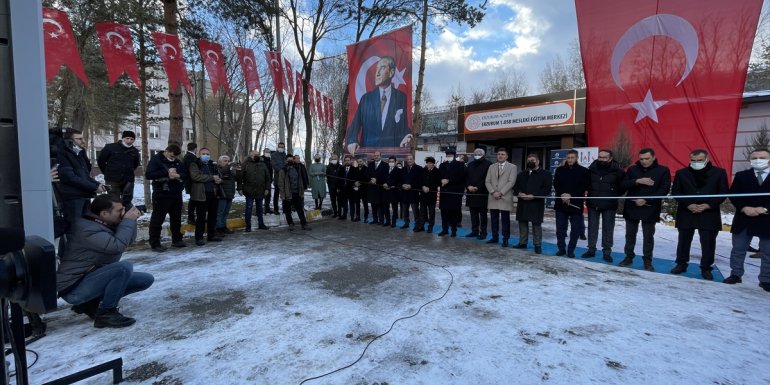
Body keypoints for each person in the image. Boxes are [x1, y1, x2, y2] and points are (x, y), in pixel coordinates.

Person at [57, 195, 154, 328]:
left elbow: (128, 241)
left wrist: (131, 220)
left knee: (145, 280)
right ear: (104, 213)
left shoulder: (101, 223)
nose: (122, 213)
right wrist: (127, 222)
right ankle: (106, 313)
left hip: (88, 278)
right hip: (74, 287)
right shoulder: (87, 229)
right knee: (123, 268)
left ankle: (90, 304)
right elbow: (117, 246)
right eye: (119, 211)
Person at [669, 149, 727, 279]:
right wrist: (688, 204)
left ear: (706, 159)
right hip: (687, 211)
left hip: (709, 213)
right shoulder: (681, 173)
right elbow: (676, 192)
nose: (696, 163)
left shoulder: (719, 173)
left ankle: (706, 268)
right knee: (683, 241)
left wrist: (708, 205)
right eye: (693, 160)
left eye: (699, 160)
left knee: (708, 242)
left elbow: (723, 192)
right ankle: (681, 264)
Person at [723, 149, 770, 291]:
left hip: (767, 219)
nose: (757, 160)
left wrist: (765, 209)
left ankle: (766, 279)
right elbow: (734, 195)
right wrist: (744, 208)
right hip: (744, 218)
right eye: (754, 157)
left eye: (762, 157)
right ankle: (736, 274)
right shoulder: (742, 176)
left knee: (768, 252)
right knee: (738, 249)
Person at [346, 56, 411, 153]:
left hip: (391, 155)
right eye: (377, 69)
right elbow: (355, 126)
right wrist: (352, 141)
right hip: (368, 155)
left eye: (382, 68)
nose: (377, 73)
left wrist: (408, 135)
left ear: (391, 72)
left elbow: (404, 126)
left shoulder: (401, 97)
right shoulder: (366, 99)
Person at [619, 148, 671, 271]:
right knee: (630, 235)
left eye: (647, 158)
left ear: (653, 157)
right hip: (632, 207)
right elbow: (623, 185)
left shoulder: (663, 170)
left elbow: (664, 190)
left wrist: (646, 199)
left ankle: (647, 260)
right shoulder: (632, 169)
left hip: (650, 208)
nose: (643, 161)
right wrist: (637, 181)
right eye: (641, 159)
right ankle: (628, 256)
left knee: (648, 236)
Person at [57, 129, 106, 230]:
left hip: (84, 195)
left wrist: (97, 184)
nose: (83, 141)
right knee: (75, 228)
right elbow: (69, 177)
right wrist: (94, 187)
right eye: (79, 139)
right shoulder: (62, 153)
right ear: (70, 140)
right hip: (72, 197)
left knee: (83, 226)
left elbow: (84, 176)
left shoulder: (80, 153)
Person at [583, 149, 625, 262]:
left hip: (609, 204)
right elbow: (587, 184)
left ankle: (607, 252)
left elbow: (622, 187)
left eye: (604, 157)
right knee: (592, 228)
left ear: (610, 158)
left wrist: (613, 194)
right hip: (593, 203)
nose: (601, 159)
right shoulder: (591, 169)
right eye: (600, 157)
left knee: (608, 229)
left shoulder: (618, 171)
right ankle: (591, 249)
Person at [145, 144, 187, 251]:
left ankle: (177, 239)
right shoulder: (156, 160)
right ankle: (155, 243)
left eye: (175, 157)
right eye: (172, 156)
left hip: (176, 193)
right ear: (167, 151)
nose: (173, 158)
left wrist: (178, 176)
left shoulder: (177, 161)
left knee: (176, 218)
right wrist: (166, 173)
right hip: (161, 194)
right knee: (158, 219)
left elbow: (185, 173)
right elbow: (149, 174)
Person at [552, 149, 589, 258]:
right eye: (568, 158)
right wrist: (563, 194)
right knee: (560, 229)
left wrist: (570, 195)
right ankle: (561, 249)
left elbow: (584, 186)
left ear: (577, 158)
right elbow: (556, 184)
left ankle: (571, 250)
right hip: (561, 204)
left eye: (572, 158)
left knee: (575, 230)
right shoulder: (559, 170)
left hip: (576, 204)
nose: (570, 160)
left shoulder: (584, 171)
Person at [513, 154, 552, 254]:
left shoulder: (546, 174)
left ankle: (537, 245)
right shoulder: (522, 174)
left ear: (538, 161)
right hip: (522, 202)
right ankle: (522, 242)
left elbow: (547, 189)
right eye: (529, 160)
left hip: (536, 202)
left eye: (533, 160)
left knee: (536, 225)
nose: (531, 162)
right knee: (522, 223)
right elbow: (516, 187)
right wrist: (519, 193)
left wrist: (534, 195)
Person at [188, 148, 223, 245]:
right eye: (203, 154)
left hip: (214, 193)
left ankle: (211, 235)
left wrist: (219, 180)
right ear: (199, 154)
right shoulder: (195, 164)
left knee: (213, 216)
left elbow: (219, 175)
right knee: (201, 217)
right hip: (201, 194)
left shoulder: (212, 164)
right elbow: (195, 177)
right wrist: (211, 177)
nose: (206, 155)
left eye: (207, 154)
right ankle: (199, 238)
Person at [97, 130, 140, 209]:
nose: (129, 141)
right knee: (113, 200)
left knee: (127, 201)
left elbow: (135, 164)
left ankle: (125, 218)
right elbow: (101, 161)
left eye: (132, 139)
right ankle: (113, 219)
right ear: (123, 138)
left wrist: (128, 172)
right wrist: (107, 172)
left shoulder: (135, 151)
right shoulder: (110, 147)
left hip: (128, 180)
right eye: (127, 138)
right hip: (111, 180)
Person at [485, 148, 516, 247]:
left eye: (502, 154)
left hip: (505, 197)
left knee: (505, 220)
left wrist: (501, 193)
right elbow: (487, 181)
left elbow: (511, 182)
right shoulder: (491, 167)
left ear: (507, 156)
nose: (500, 156)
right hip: (493, 196)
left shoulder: (512, 167)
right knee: (494, 219)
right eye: (498, 154)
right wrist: (493, 192)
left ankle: (505, 239)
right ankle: (494, 237)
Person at [236, 150, 271, 232]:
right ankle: (248, 226)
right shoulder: (245, 164)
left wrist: (267, 188)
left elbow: (268, 178)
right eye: (255, 155)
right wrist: (240, 188)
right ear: (250, 155)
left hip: (260, 190)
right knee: (249, 207)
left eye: (258, 154)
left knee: (260, 208)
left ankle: (261, 224)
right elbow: (240, 178)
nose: (257, 156)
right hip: (249, 190)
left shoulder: (263, 164)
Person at [278, 154, 311, 230]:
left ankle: (304, 224)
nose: (290, 161)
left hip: (297, 193)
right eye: (288, 159)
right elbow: (281, 184)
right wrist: (282, 195)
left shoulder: (297, 168)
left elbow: (300, 181)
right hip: (287, 194)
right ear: (286, 161)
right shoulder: (283, 170)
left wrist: (301, 191)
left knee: (300, 209)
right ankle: (290, 224)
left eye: (291, 159)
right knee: (288, 211)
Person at [438, 148, 466, 237]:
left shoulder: (460, 165)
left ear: (454, 156)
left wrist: (449, 181)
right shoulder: (442, 165)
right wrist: (441, 180)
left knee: (454, 212)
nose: (449, 156)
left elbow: (461, 178)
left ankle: (454, 230)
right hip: (444, 193)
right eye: (447, 155)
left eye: (450, 155)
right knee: (444, 212)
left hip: (454, 193)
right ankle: (444, 229)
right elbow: (438, 177)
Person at [466, 148, 492, 239]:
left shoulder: (488, 164)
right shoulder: (470, 164)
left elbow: (488, 178)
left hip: (482, 193)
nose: (477, 154)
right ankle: (474, 231)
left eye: (479, 153)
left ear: (484, 154)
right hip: (471, 193)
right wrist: (468, 186)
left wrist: (478, 187)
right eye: (476, 153)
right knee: (473, 214)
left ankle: (483, 232)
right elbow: (466, 177)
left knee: (483, 215)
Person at [417, 157, 442, 233]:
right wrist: (422, 186)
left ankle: (430, 226)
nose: (429, 164)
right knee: (422, 212)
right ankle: (421, 226)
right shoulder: (422, 170)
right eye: (428, 163)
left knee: (431, 212)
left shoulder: (437, 171)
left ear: (433, 164)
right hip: (423, 195)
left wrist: (430, 188)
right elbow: (419, 181)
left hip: (432, 195)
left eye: (431, 163)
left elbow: (438, 183)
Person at [400, 154, 423, 230]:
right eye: (408, 159)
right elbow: (400, 180)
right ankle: (406, 222)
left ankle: (417, 224)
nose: (409, 160)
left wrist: (411, 186)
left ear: (414, 160)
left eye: (411, 159)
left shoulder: (419, 169)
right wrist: (402, 184)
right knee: (405, 210)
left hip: (413, 193)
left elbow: (420, 181)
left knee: (415, 211)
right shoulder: (403, 169)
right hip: (404, 193)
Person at [215, 155, 236, 235]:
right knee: (220, 212)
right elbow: (221, 174)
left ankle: (223, 226)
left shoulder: (230, 170)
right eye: (225, 161)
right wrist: (228, 167)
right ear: (220, 162)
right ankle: (218, 228)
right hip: (221, 194)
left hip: (229, 193)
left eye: (228, 161)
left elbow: (235, 177)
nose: (227, 163)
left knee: (226, 212)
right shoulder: (217, 169)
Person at [367, 151, 388, 224]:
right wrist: (370, 179)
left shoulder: (385, 165)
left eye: (377, 155)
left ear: (380, 156)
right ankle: (375, 219)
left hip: (380, 188)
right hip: (372, 188)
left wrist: (377, 179)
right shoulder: (370, 164)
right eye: (375, 155)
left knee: (380, 205)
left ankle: (381, 220)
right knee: (373, 205)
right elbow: (368, 174)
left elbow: (385, 176)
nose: (376, 157)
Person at [383, 156, 403, 227]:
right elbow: (382, 178)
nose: (391, 163)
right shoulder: (385, 169)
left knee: (394, 208)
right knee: (386, 207)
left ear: (395, 162)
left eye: (392, 161)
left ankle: (393, 222)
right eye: (390, 161)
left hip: (394, 192)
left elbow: (400, 182)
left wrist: (392, 186)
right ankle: (387, 221)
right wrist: (385, 184)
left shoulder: (399, 170)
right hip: (386, 191)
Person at [182, 142, 199, 224]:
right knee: (193, 201)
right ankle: (191, 218)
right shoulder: (190, 157)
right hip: (192, 182)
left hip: (191, 182)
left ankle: (192, 218)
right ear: (195, 148)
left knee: (194, 200)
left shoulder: (188, 156)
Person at [336, 156, 355, 220]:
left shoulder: (354, 169)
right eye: (346, 160)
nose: (347, 161)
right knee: (344, 203)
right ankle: (344, 215)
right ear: (344, 161)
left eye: (348, 160)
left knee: (352, 203)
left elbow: (355, 179)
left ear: (350, 161)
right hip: (343, 189)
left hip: (351, 189)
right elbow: (338, 179)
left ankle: (352, 216)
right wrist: (338, 187)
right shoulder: (341, 169)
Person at [271, 143, 288, 214]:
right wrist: (281, 170)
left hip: (285, 178)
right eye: (280, 147)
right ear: (278, 147)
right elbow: (274, 165)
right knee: (276, 194)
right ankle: (276, 209)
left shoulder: (285, 155)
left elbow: (287, 164)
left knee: (285, 194)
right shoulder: (274, 155)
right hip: (278, 178)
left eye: (282, 147)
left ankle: (285, 208)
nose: (281, 148)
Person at [262, 148, 274, 214]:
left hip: (268, 180)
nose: (268, 153)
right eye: (266, 152)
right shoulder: (261, 159)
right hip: (262, 180)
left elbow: (271, 170)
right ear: (263, 152)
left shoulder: (269, 160)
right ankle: (260, 209)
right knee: (261, 195)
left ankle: (267, 209)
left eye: (269, 152)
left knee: (268, 196)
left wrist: (271, 179)